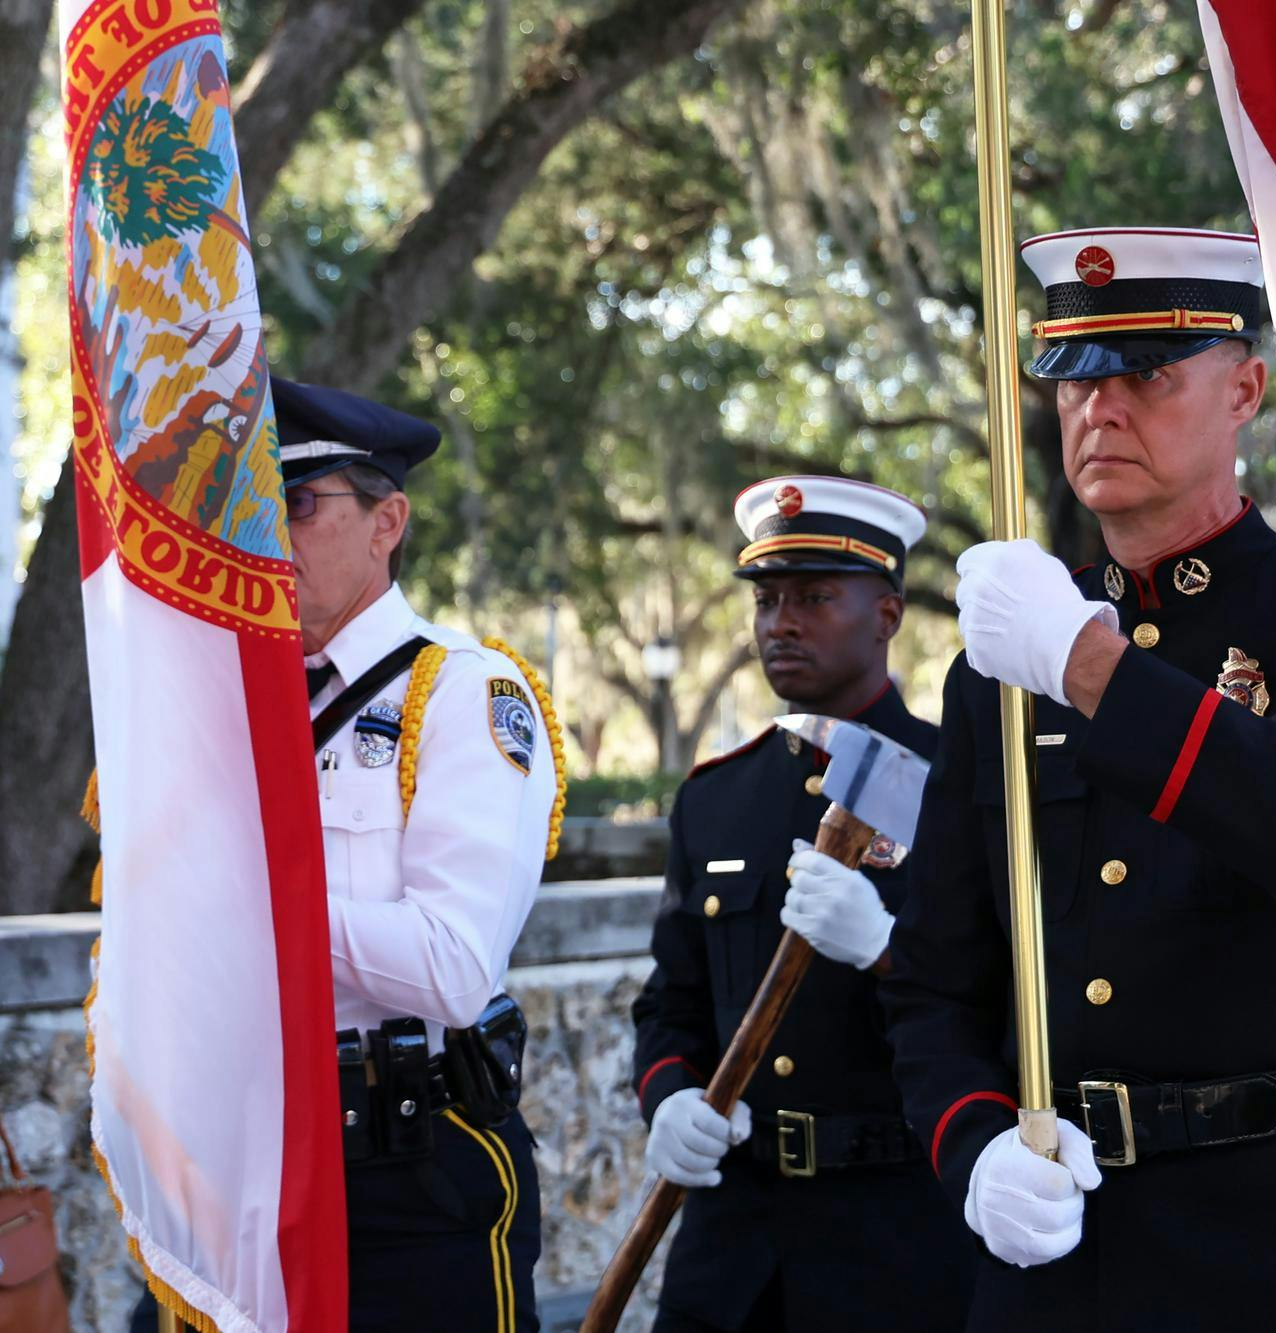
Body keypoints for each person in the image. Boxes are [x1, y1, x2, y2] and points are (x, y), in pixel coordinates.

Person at [878, 227, 1276, 1329]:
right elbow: (932, 982)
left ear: (1243, 387)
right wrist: (972, 1148)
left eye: (1145, 374)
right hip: (1070, 1249)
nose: (1099, 407)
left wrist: (1091, 668)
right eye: (1073, 376)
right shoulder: (1003, 662)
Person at [130, 378, 562, 1333]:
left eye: (296, 504)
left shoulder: (462, 694)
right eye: (252, 508)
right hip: (238, 1163)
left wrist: (249, 912)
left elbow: (453, 967)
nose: (267, 533)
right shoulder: (230, 707)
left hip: (407, 1172)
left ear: (387, 520)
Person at [629, 476, 972, 1332]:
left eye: (816, 597)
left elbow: (1010, 999)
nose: (781, 621)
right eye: (770, 598)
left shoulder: (962, 787)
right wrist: (669, 1096)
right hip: (732, 1248)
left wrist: (889, 948)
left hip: (898, 1238)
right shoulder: (714, 797)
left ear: (888, 614)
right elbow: (669, 1002)